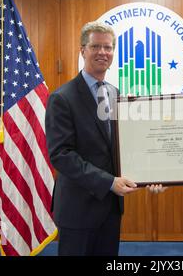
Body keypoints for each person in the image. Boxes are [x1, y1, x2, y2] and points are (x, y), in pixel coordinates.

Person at [45, 21, 138, 256]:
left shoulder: (114, 93)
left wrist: (150, 176)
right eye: (96, 46)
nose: (102, 53)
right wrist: (108, 182)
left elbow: (116, 146)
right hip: (78, 209)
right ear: (82, 50)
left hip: (110, 209)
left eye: (108, 47)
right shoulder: (62, 98)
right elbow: (61, 155)